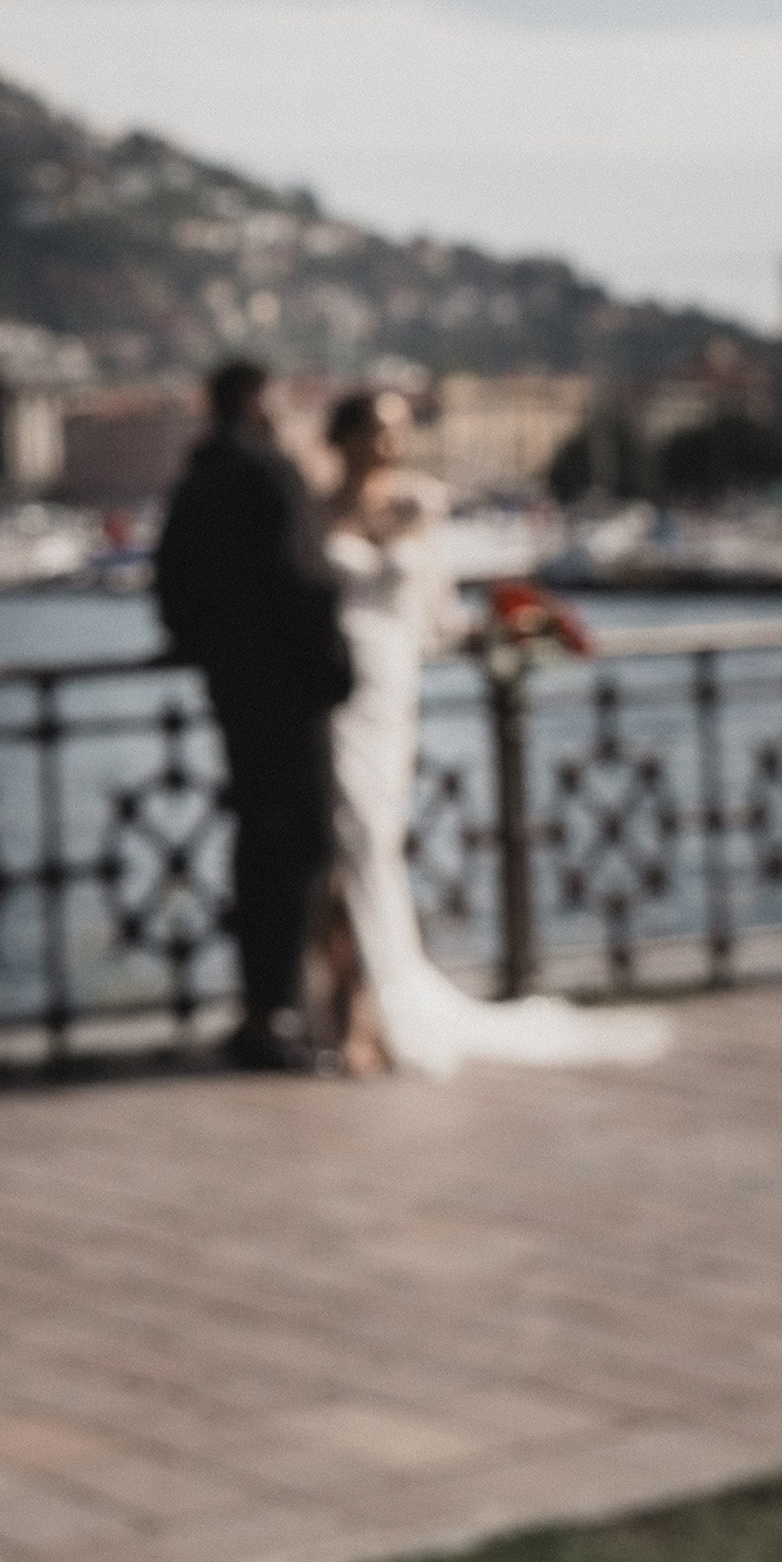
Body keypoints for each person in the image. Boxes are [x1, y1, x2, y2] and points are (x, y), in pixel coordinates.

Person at [319, 388, 670, 1077]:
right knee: (348, 842)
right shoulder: (315, 510)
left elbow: (440, 615)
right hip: (332, 695)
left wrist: (510, 628)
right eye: (379, 428)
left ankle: (372, 1006)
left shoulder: (419, 506)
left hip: (391, 693)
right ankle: (352, 1010)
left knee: (374, 840)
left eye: (400, 429)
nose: (392, 441)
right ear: (348, 435)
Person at [154, 358, 356, 1070]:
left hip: (235, 691)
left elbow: (170, 585)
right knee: (303, 844)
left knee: (257, 844)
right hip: (290, 692)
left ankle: (261, 1011)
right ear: (256, 400)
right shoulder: (269, 473)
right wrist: (333, 669)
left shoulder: (197, 478)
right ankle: (280, 1011)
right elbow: (303, 578)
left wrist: (215, 655)